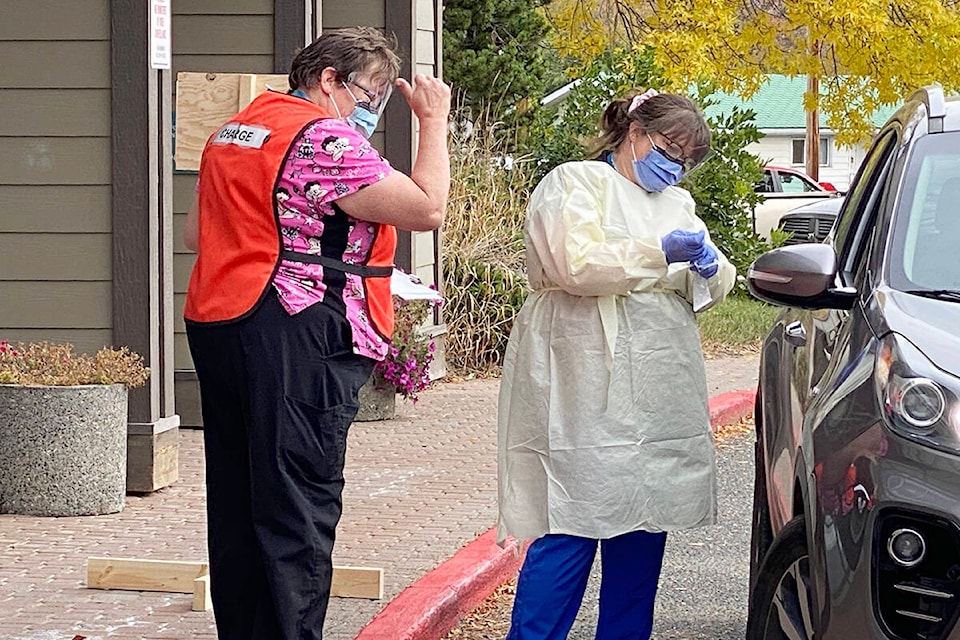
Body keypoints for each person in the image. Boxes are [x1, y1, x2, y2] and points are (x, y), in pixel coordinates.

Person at [181, 27, 450, 640]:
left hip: (222, 320)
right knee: (298, 499)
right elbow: (426, 208)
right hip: (298, 330)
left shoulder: (237, 129)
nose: (371, 110)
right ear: (328, 79)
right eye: (367, 94)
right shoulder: (322, 137)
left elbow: (199, 237)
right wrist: (432, 123)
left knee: (240, 499)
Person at [497, 88, 736, 639]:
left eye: (687, 160)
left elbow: (716, 281)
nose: (675, 167)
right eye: (669, 151)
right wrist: (660, 256)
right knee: (569, 521)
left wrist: (704, 263)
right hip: (581, 374)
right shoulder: (574, 183)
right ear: (635, 133)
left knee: (643, 525)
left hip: (657, 385)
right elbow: (576, 265)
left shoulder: (677, 205)